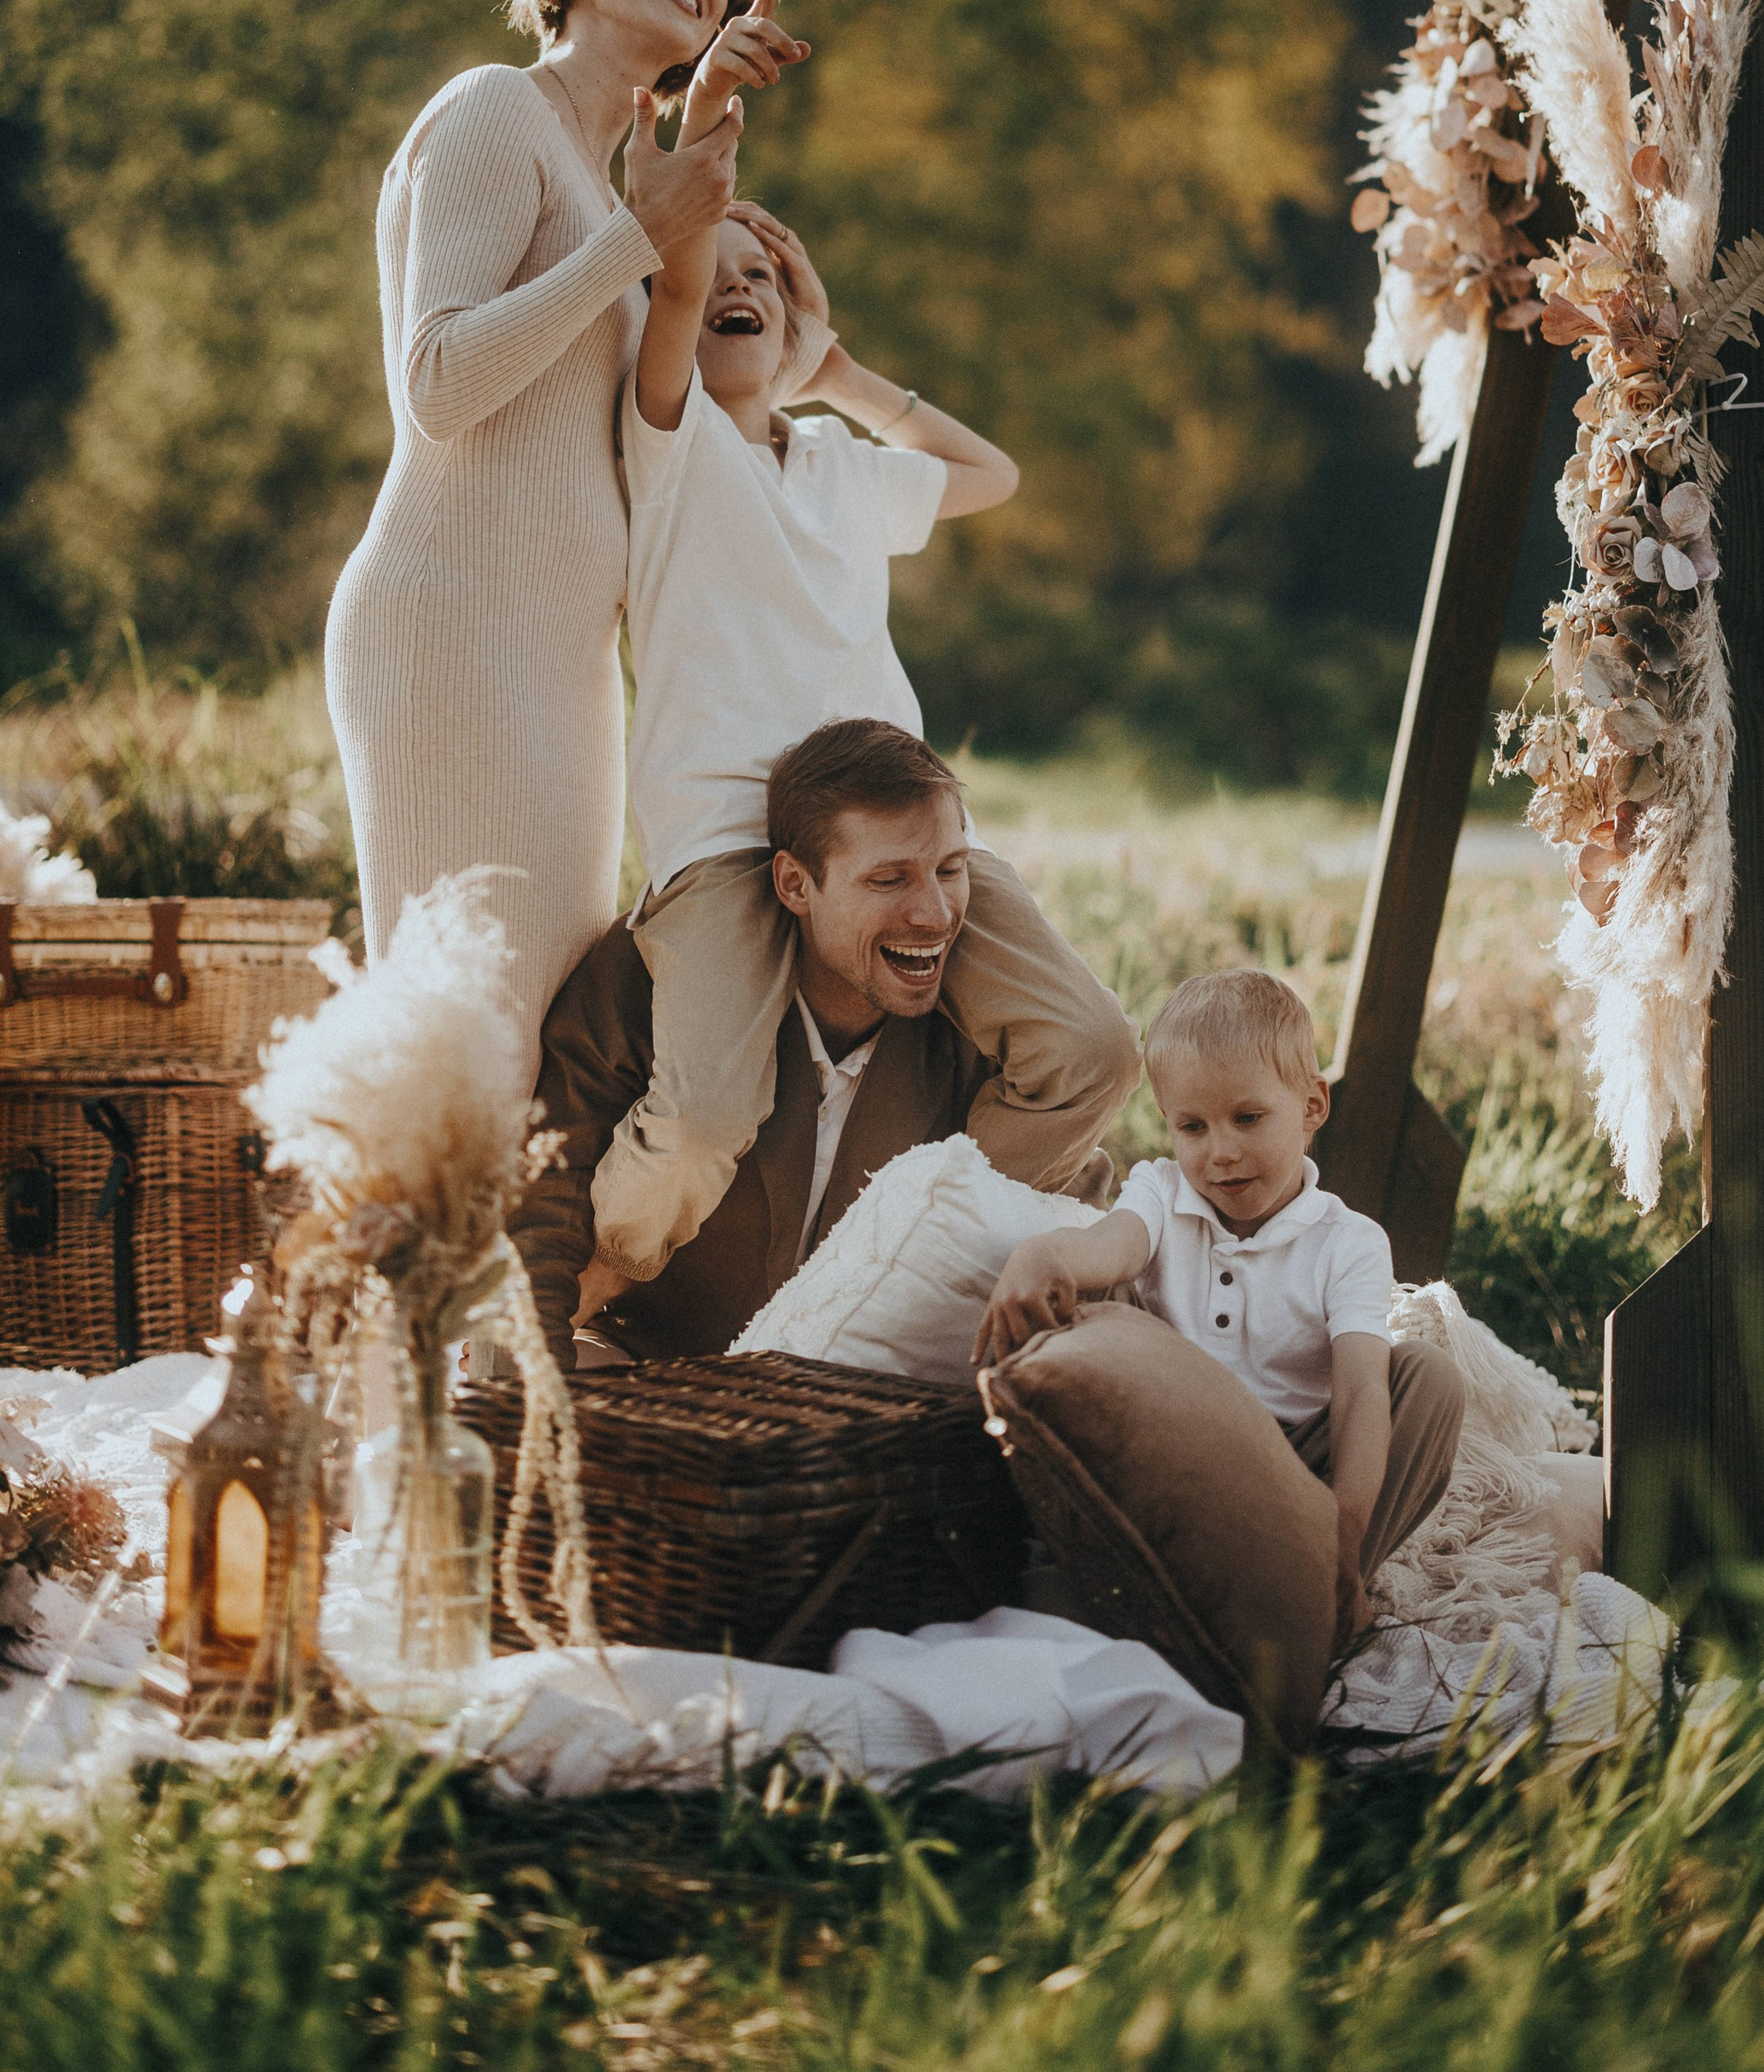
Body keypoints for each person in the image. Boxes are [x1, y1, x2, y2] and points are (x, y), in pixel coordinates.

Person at [580, 98, 1142, 1289]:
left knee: (1090, 1047)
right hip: (732, 840)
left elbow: (989, 474)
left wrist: (835, 371)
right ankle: (593, 1288)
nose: (738, 284)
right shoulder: (675, 449)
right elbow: (675, 297)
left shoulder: (838, 462)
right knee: (701, 1122)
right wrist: (678, 211)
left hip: (903, 838)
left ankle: (900, 1263)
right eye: (713, 270)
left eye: (765, 277)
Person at [325, 0, 807, 1065]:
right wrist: (638, 239)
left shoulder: (608, 189)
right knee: (458, 1040)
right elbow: (437, 385)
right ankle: (388, 1259)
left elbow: (668, 412)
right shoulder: (494, 108)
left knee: (542, 1045)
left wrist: (687, 179)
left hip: (562, 667)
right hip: (448, 634)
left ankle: (478, 1263)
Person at [514, 722, 1116, 1359]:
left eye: (951, 869)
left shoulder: (990, 1039)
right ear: (796, 885)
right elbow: (551, 1183)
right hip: (659, 1374)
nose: (936, 914)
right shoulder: (654, 991)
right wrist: (529, 1364)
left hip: (876, 1408)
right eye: (889, 880)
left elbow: (1067, 1210)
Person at [974, 966, 1463, 1647]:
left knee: (1427, 1381)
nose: (1221, 1153)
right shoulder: (1163, 1191)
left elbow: (1358, 1394)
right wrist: (1045, 1256)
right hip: (1178, 1452)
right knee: (1100, 1318)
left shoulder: (1348, 1241)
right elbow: (1112, 1246)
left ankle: (1327, 1580)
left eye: (1248, 1118)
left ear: (1312, 1107)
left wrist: (1343, 1535)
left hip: (1297, 1472)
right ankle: (1125, 1571)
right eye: (1193, 1126)